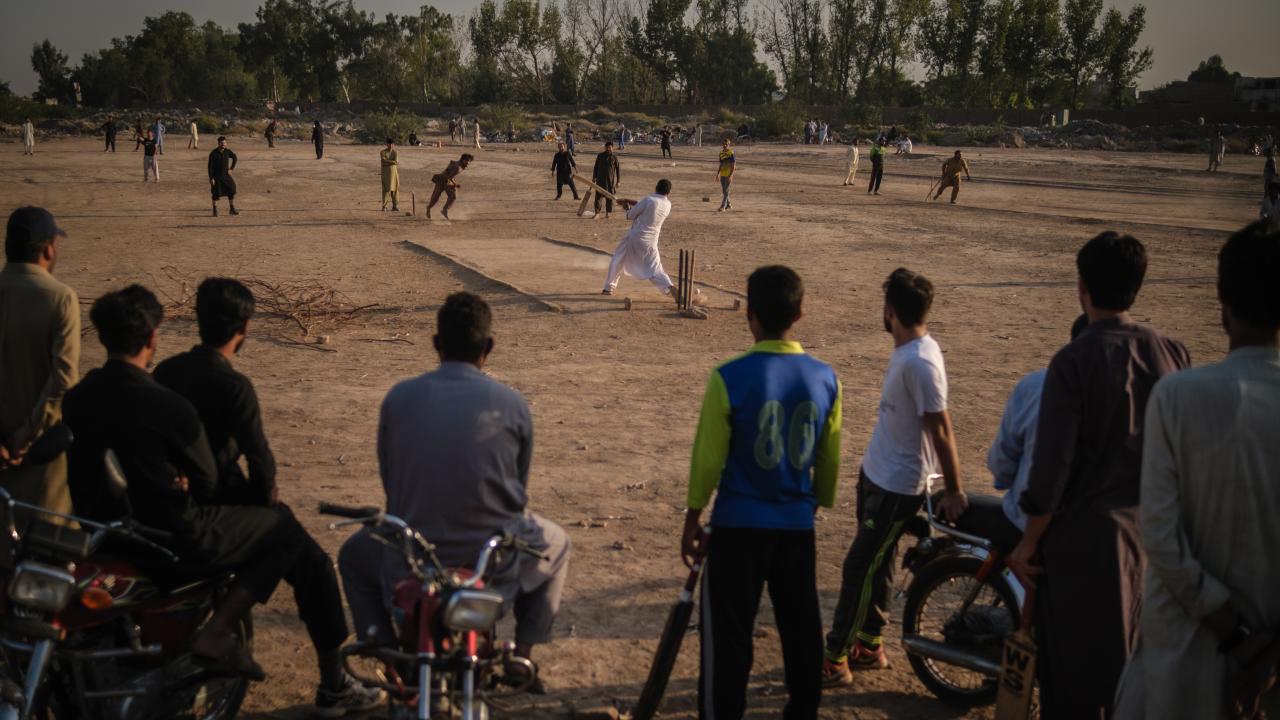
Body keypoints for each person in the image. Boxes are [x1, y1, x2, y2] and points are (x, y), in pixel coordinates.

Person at [61, 285, 383, 713]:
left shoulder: (96, 392)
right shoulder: (199, 395)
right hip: (179, 527)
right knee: (293, 542)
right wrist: (253, 497)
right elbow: (230, 477)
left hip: (108, 528)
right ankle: (320, 675)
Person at [338, 292, 570, 688]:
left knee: (353, 554)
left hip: (410, 553)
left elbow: (390, 479)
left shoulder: (399, 398)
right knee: (558, 543)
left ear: (435, 343)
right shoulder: (511, 403)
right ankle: (521, 656)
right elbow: (519, 486)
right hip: (490, 558)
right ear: (489, 348)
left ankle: (382, 647)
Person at [1008, 232, 1191, 719]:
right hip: (1153, 546)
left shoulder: (1074, 360)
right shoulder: (1171, 352)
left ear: (1081, 287)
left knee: (1075, 689)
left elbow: (1050, 473)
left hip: (1085, 550)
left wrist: (1028, 543)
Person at [1112, 222, 1280, 719]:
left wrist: (1234, 631)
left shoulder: (1181, 396)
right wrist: (1266, 654)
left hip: (1183, 661)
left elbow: (1161, 537)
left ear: (1221, 303)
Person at [682, 265, 840, 719]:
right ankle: (802, 709)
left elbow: (709, 458)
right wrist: (818, 499)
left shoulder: (729, 376)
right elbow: (828, 458)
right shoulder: (825, 378)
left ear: (749, 315)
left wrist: (694, 516)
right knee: (800, 628)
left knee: (728, 638)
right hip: (794, 525)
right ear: (800, 314)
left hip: (737, 525)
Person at [823, 268, 967, 686]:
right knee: (877, 566)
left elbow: (942, 427)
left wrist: (954, 490)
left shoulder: (922, 361)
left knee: (858, 567)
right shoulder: (907, 351)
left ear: (890, 311)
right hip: (877, 476)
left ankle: (834, 659)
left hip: (898, 487)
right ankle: (869, 645)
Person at [950, 315, 1089, 554]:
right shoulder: (1131, 398)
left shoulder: (1037, 387)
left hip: (1030, 524)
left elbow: (1002, 463)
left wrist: (1007, 482)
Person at [0, 207, 78, 522]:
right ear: (48, 248)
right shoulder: (58, 297)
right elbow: (63, 379)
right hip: (39, 453)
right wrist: (24, 436)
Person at [601, 179, 677, 299]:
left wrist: (626, 207)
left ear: (656, 187)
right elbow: (645, 206)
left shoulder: (648, 200)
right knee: (655, 268)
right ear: (668, 192)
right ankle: (668, 286)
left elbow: (629, 215)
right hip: (651, 242)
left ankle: (608, 288)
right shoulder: (667, 204)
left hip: (634, 238)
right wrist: (627, 200)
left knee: (617, 260)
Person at [426, 153, 473, 220]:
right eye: (467, 160)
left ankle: (444, 210)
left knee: (452, 196)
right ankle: (430, 208)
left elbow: (450, 168)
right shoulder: (458, 167)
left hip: (446, 180)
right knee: (436, 197)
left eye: (469, 161)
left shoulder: (457, 164)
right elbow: (449, 177)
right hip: (442, 180)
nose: (468, 163)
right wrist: (455, 184)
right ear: (462, 160)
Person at [208, 136, 239, 217]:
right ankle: (215, 210)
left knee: (232, 189)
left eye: (224, 143)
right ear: (218, 143)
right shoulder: (213, 153)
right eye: (221, 143)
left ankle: (232, 209)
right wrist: (211, 178)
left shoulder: (227, 152)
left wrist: (231, 169)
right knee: (215, 194)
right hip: (216, 177)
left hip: (226, 176)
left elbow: (235, 158)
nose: (223, 145)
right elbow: (210, 166)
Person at [592, 141, 622, 219]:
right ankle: (597, 213)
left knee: (609, 197)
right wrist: (594, 176)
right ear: (605, 147)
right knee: (598, 197)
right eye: (607, 147)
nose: (608, 149)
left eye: (610, 147)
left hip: (610, 182)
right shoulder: (600, 156)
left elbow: (618, 170)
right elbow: (596, 167)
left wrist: (618, 181)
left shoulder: (614, 157)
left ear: (612, 148)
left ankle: (608, 213)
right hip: (600, 180)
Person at [380, 139, 399, 212]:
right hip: (385, 174)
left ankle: (395, 206)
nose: (390, 145)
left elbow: (396, 162)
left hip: (394, 174)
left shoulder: (395, 152)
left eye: (392, 144)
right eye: (389, 144)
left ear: (393, 144)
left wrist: (386, 162)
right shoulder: (383, 152)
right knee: (386, 189)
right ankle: (384, 206)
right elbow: (383, 160)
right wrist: (392, 162)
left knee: (394, 190)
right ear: (387, 144)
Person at [717, 138, 736, 212]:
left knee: (726, 191)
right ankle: (729, 204)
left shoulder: (731, 153)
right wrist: (718, 174)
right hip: (722, 174)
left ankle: (723, 207)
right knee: (724, 191)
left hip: (728, 174)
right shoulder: (721, 153)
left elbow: (733, 165)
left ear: (729, 145)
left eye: (726, 144)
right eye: (723, 144)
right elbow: (721, 164)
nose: (724, 145)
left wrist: (731, 175)